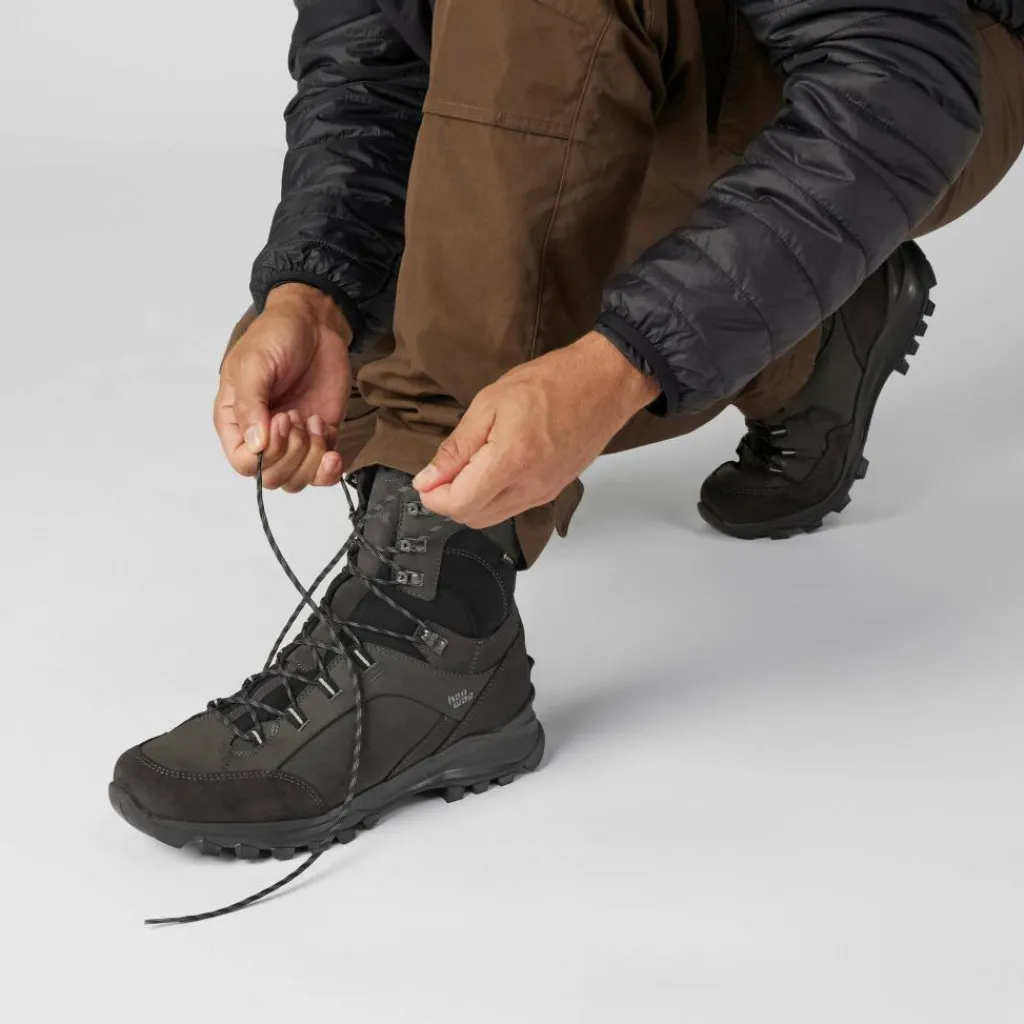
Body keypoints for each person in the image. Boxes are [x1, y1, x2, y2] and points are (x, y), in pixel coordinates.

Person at [109, 0, 1024, 920]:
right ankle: (815, 343)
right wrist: (316, 288)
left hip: (922, 74)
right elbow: (370, 59)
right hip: (708, 56)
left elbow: (899, 79)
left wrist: (622, 366)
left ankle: (431, 628)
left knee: (480, 282)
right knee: (388, 343)